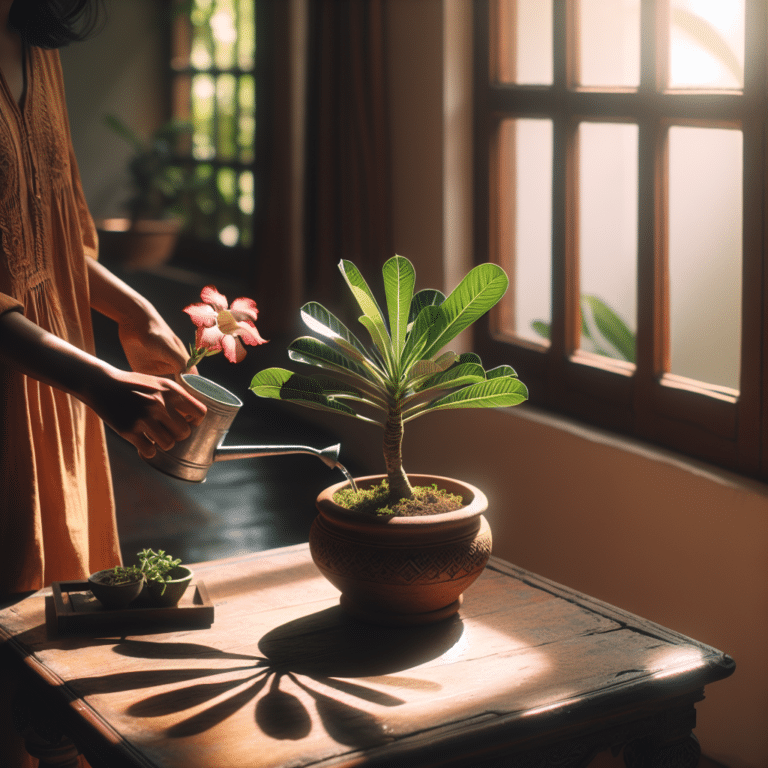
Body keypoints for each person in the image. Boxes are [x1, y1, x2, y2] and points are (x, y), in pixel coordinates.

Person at [0, 1, 206, 764]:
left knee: (60, 649)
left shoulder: (35, 38)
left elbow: (47, 228)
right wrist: (97, 380)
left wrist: (133, 311)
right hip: (30, 390)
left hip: (56, 387)